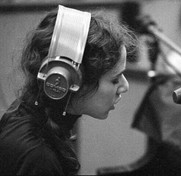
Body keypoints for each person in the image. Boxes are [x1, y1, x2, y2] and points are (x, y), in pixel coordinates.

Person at [0, 5, 137, 175]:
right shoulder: (39, 157)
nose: (125, 87)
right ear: (71, 80)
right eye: (115, 79)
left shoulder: (31, 112)